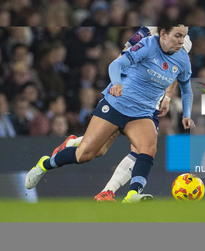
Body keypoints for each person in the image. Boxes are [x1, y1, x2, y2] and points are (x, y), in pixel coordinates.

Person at [25, 25, 194, 203]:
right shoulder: (147, 39)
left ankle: (132, 194)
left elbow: (181, 82)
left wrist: (178, 106)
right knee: (87, 155)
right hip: (118, 103)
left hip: (143, 112)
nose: (180, 43)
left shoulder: (181, 58)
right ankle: (45, 164)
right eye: (178, 38)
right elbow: (120, 58)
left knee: (148, 147)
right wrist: (116, 82)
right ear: (164, 34)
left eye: (183, 40)